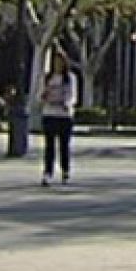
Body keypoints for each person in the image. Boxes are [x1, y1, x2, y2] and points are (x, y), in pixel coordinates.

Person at [39, 50, 78, 186]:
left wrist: (67, 103)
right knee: (49, 146)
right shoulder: (47, 78)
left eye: (60, 61)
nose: (57, 64)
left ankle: (65, 171)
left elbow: (72, 96)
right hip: (49, 114)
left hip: (64, 116)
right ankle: (47, 173)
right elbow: (40, 94)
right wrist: (44, 97)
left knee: (64, 145)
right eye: (55, 61)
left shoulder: (70, 78)